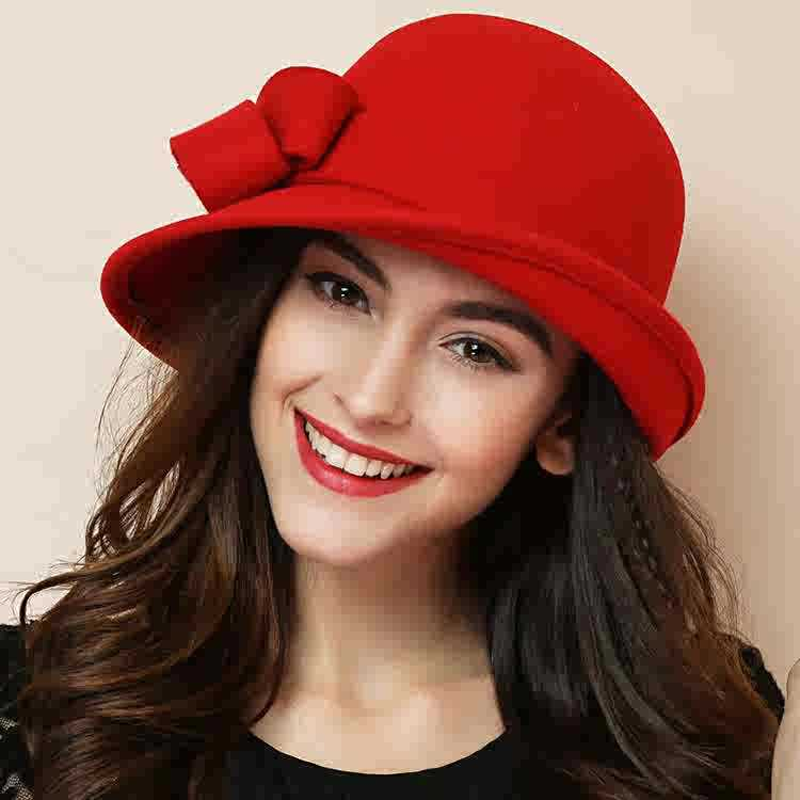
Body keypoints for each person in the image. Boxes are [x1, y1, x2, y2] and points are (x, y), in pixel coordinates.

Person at [0, 12, 792, 799]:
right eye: (342, 292)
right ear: (262, 314)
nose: (371, 397)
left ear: (565, 423)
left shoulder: (701, 749)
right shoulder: (36, 710)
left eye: (475, 349)